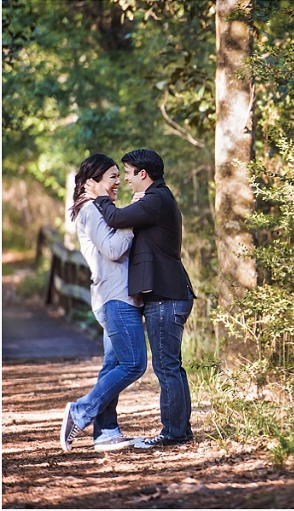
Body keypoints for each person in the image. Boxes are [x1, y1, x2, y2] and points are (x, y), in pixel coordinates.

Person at [85, 148, 196, 448]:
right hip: (168, 294)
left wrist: (99, 196)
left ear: (142, 173)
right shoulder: (157, 199)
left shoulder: (156, 199)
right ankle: (180, 430)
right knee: (171, 365)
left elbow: (117, 217)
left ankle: (173, 433)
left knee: (166, 367)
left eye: (129, 174)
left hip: (166, 295)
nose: (127, 180)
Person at [61, 153, 147, 452]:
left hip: (116, 296)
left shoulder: (95, 209)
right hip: (115, 297)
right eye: (112, 177)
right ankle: (80, 411)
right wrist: (130, 222)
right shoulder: (92, 211)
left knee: (113, 365)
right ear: (91, 182)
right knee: (135, 363)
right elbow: (112, 250)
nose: (118, 183)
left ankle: (106, 431)